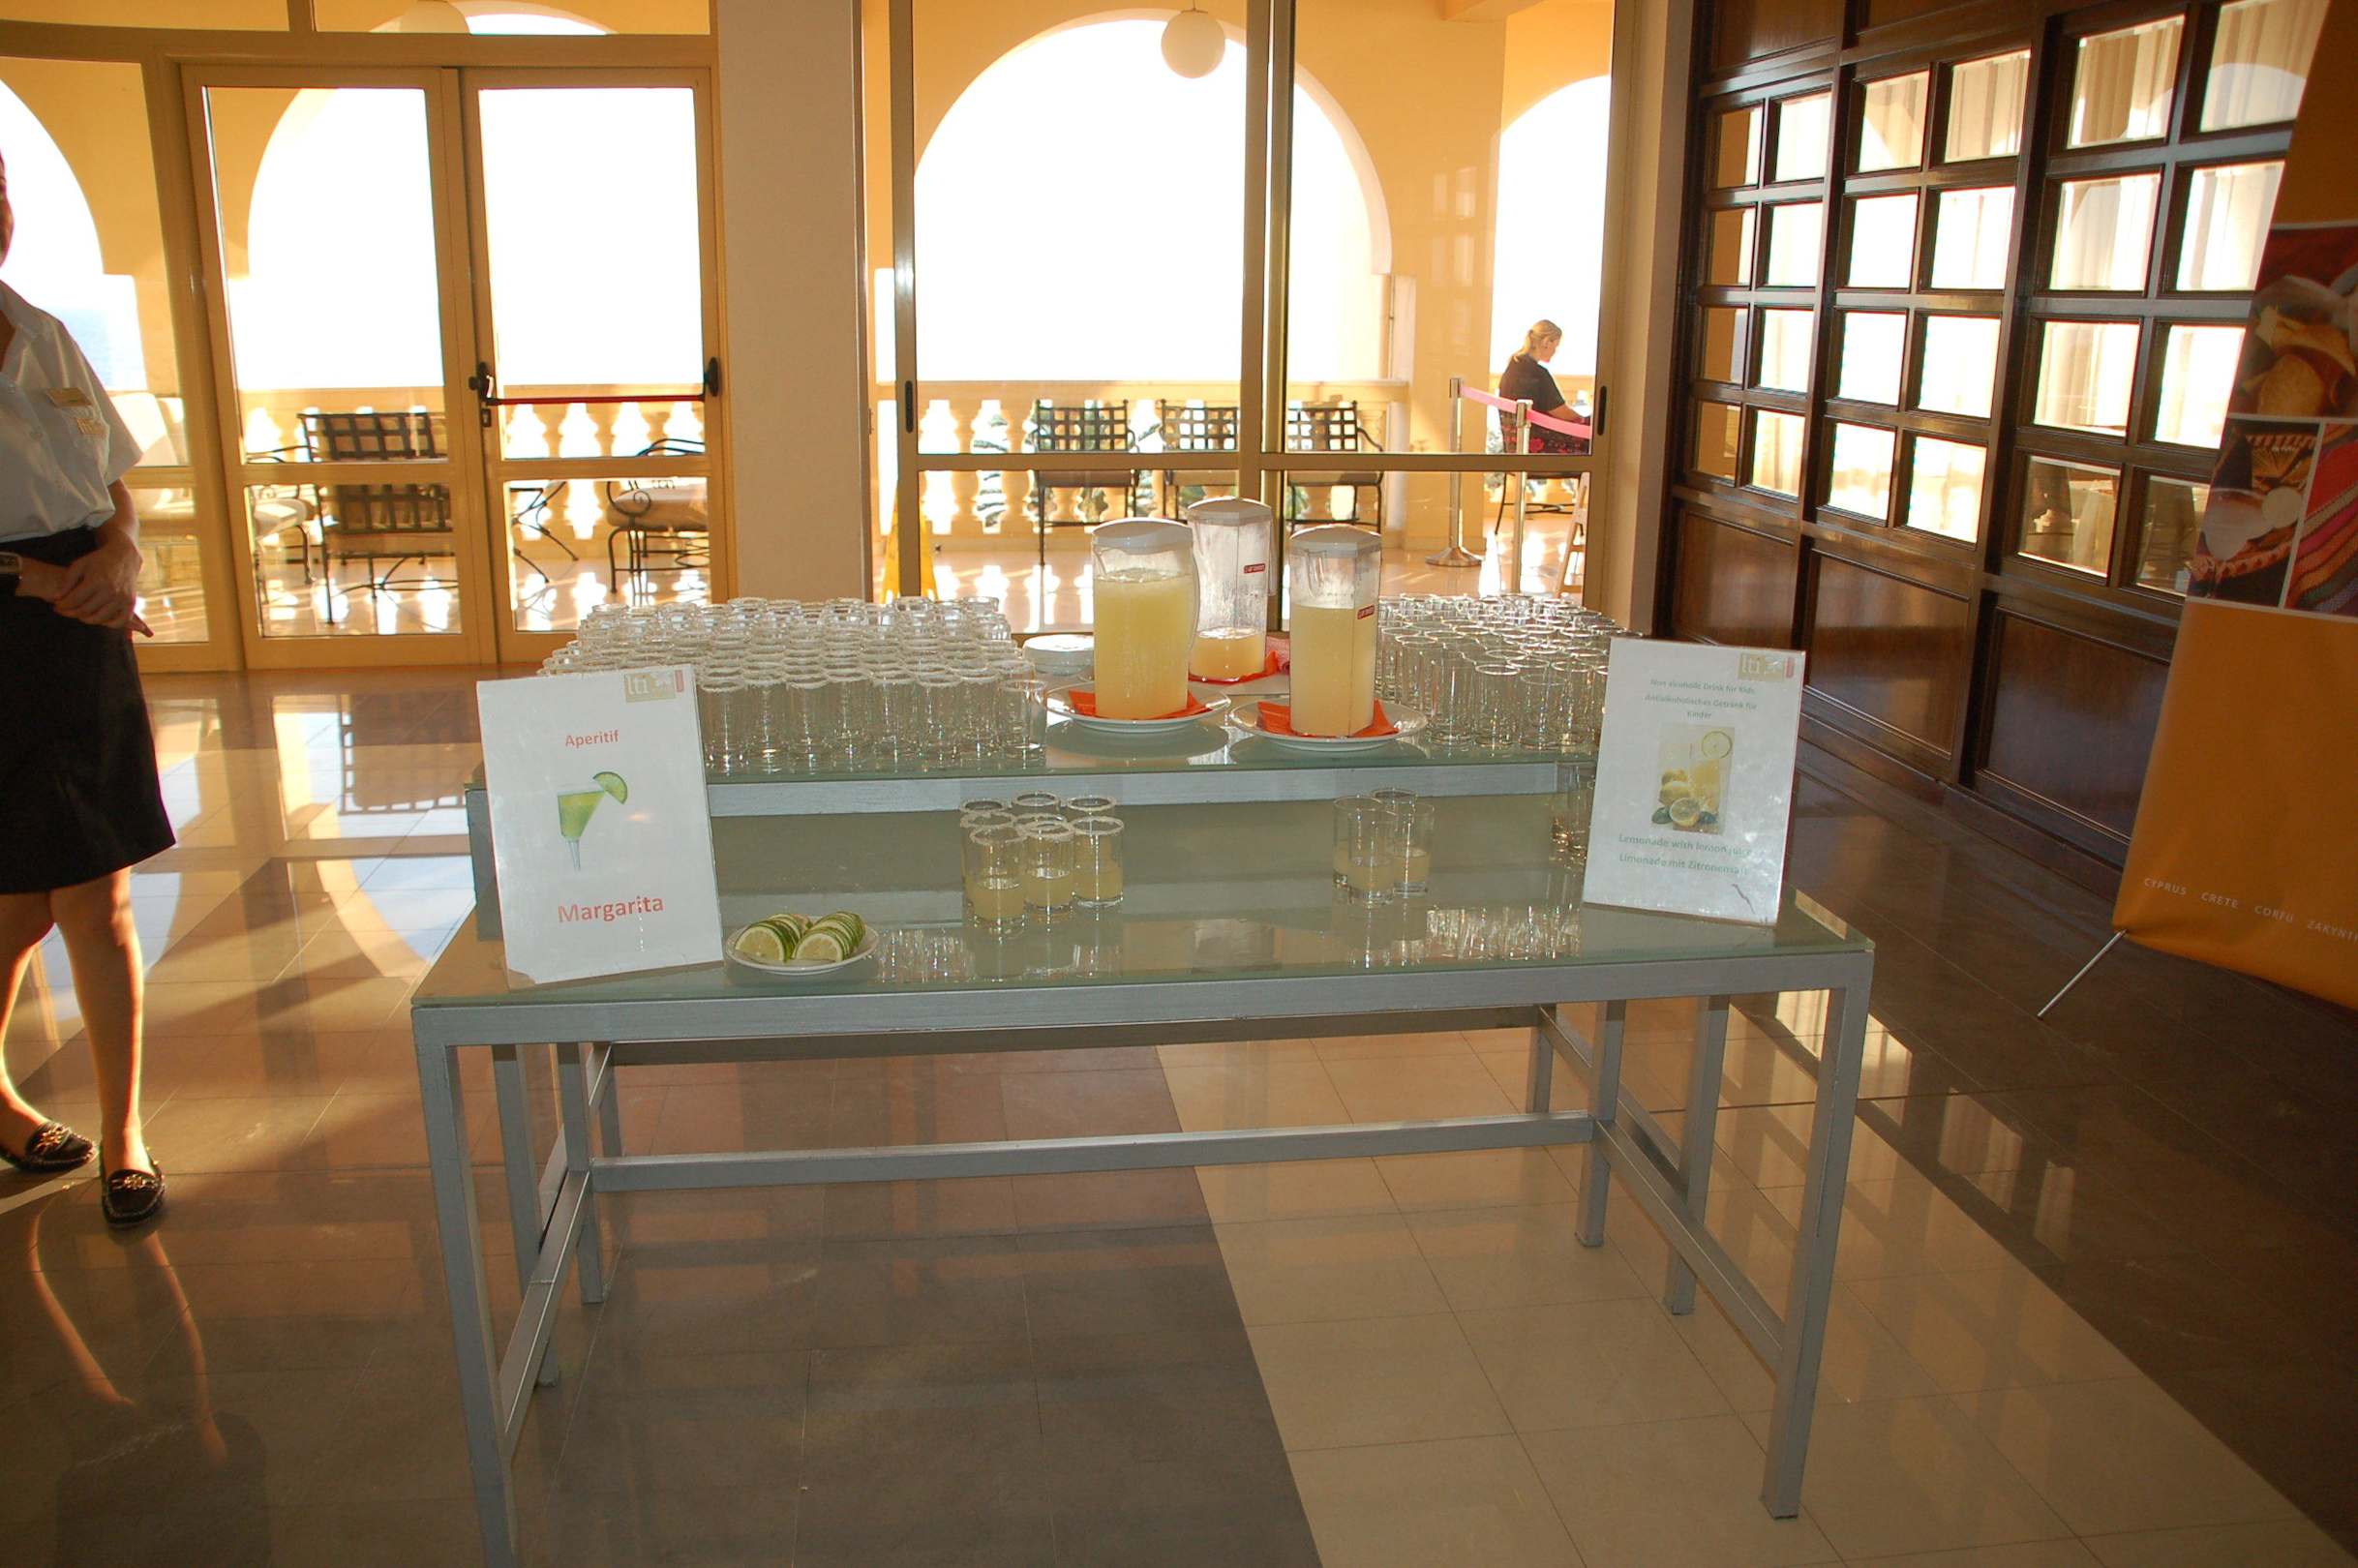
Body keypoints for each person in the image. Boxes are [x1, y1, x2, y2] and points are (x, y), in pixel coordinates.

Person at [0, 147, 172, 1224]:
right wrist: (46, 579)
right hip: (12, 623)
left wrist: (120, 556)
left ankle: (124, 1132)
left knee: (94, 895)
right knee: (19, 899)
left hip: (81, 628)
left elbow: (112, 485)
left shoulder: (44, 333)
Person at [1498, 319, 1589, 455]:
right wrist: (1586, 421)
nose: (1555, 351)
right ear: (1547, 342)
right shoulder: (1537, 373)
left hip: (1515, 444)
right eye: (1556, 346)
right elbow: (1562, 413)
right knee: (1595, 437)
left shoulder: (1512, 369)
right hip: (1540, 443)